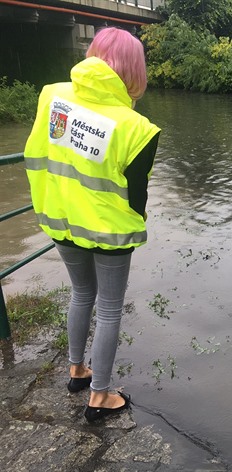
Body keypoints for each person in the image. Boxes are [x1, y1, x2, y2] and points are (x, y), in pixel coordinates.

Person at [23, 27, 160, 422]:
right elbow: (137, 197)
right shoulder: (137, 128)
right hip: (109, 232)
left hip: (62, 219)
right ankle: (99, 395)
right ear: (134, 70)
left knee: (82, 294)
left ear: (94, 54)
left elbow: (47, 151)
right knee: (111, 309)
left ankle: (76, 370)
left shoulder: (52, 95)